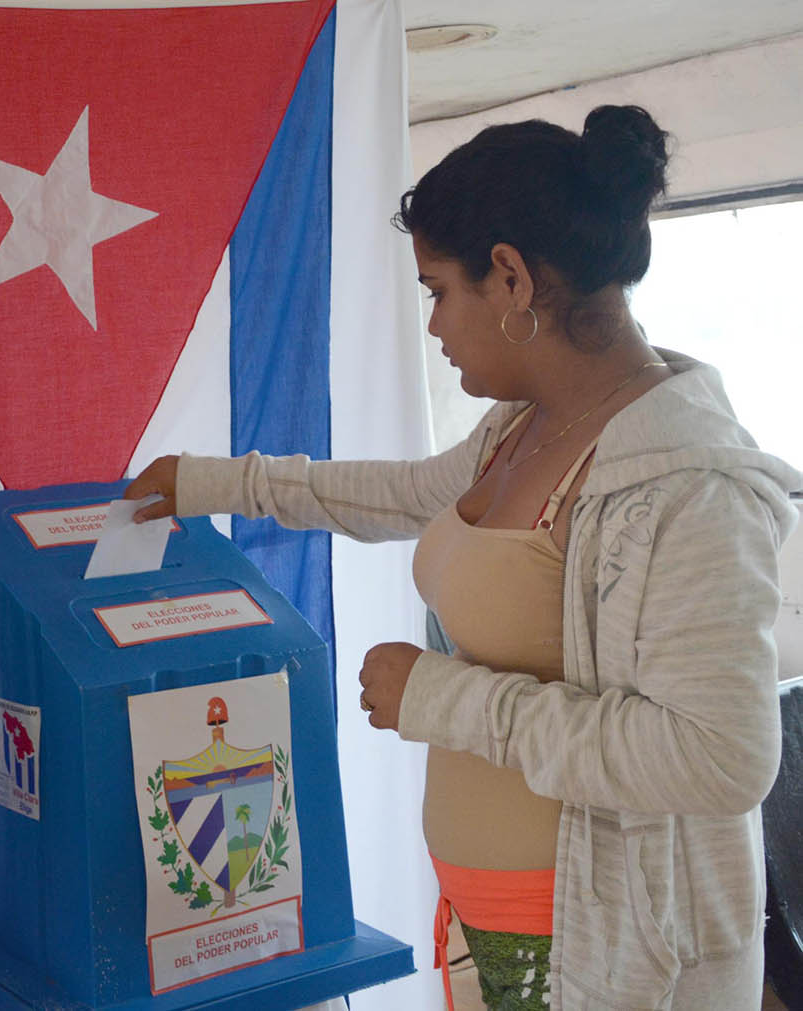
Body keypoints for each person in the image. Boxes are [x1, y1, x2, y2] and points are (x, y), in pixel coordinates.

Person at [127, 105, 802, 1010]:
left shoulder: (690, 485)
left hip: (604, 950)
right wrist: (214, 482)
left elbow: (718, 757)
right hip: (489, 918)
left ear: (511, 278)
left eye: (438, 290)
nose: (435, 325)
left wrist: (442, 699)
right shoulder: (523, 426)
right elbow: (404, 494)